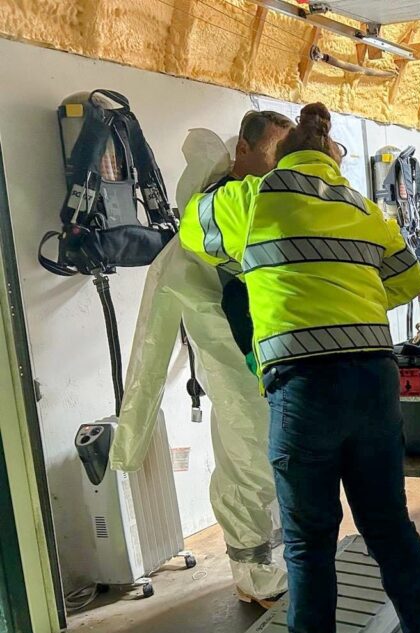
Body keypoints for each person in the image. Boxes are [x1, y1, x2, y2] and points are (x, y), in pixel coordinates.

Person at [180, 103, 420, 633]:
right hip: (374, 382)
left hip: (303, 390)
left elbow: (192, 226)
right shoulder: (365, 209)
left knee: (309, 544)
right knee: (390, 526)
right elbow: (408, 281)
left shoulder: (253, 199)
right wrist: (347, 284)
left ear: (280, 155)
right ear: (331, 158)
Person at [111, 111, 293, 607]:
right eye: (275, 151)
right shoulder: (202, 229)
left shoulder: (256, 208)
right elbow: (153, 338)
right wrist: (130, 438)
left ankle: (271, 566)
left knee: (267, 464)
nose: (281, 164)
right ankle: (254, 576)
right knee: (252, 464)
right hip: (236, 370)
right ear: (243, 151)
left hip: (265, 365)